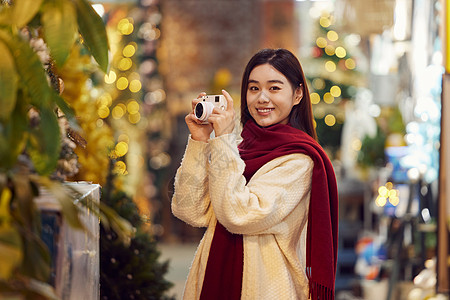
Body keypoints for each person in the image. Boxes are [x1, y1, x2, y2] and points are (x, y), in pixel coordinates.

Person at [171, 48, 339, 300]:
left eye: (274, 88)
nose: (262, 98)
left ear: (297, 94)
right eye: (253, 88)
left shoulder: (299, 159)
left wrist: (224, 140)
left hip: (266, 287)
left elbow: (240, 214)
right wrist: (200, 141)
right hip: (212, 275)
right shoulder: (237, 146)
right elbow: (189, 210)